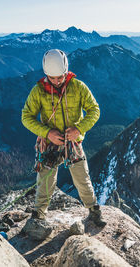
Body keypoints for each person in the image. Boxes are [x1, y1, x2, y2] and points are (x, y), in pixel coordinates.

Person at [21, 49, 106, 227]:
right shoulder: (38, 91)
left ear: (66, 72)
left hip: (72, 140)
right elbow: (26, 117)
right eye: (52, 78)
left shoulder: (78, 87)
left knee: (82, 177)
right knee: (45, 180)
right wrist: (47, 133)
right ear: (46, 74)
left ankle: (93, 210)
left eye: (60, 77)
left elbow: (94, 110)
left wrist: (79, 129)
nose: (57, 81)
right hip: (51, 141)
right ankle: (38, 214)